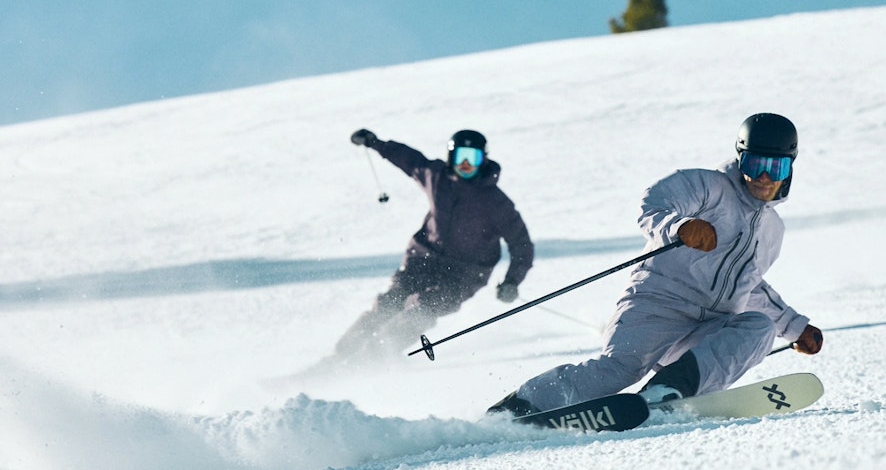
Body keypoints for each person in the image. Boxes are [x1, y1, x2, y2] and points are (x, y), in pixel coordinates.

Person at [489, 112, 822, 417]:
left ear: (789, 169)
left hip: (706, 332)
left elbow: (751, 288)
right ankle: (520, 406)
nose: (763, 177)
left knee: (758, 328)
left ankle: (668, 392)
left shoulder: (773, 230)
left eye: (775, 168)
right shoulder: (708, 187)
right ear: (740, 160)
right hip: (656, 307)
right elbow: (655, 204)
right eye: (754, 164)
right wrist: (680, 227)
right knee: (619, 370)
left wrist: (795, 327)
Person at [333, 128, 534, 362]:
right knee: (391, 301)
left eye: (474, 159)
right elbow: (410, 159)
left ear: (484, 160)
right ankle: (341, 355)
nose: (466, 164)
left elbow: (522, 245)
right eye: (461, 158)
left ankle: (372, 358)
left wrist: (512, 281)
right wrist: (375, 143)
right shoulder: (438, 178)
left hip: (464, 275)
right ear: (451, 158)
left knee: (421, 308)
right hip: (424, 259)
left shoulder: (495, 202)